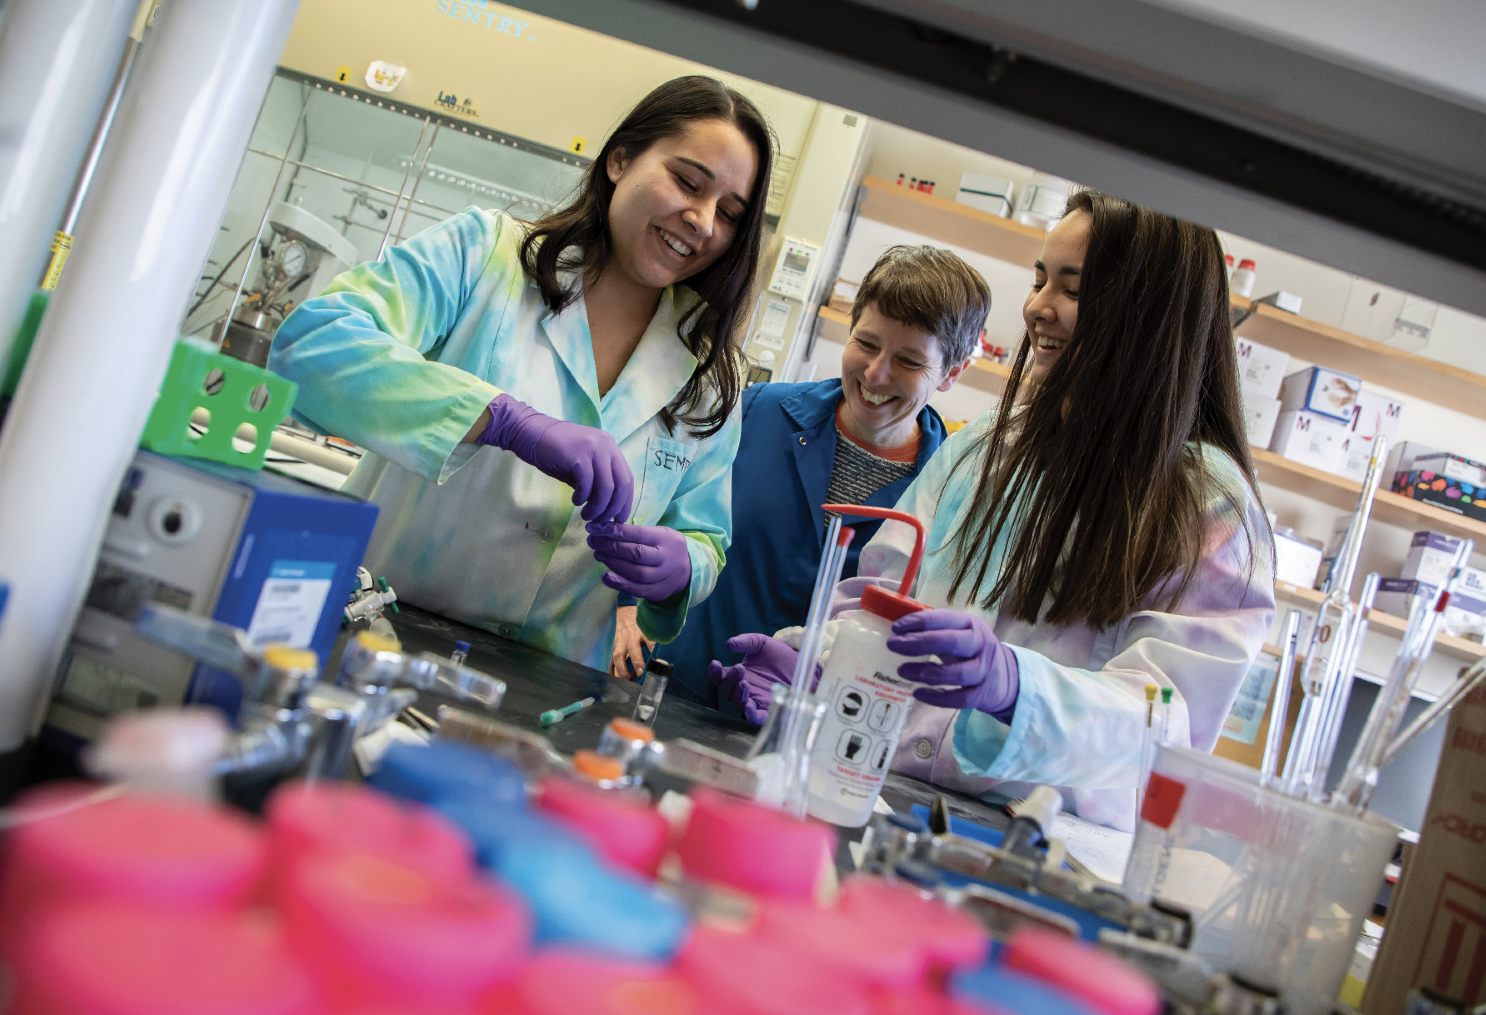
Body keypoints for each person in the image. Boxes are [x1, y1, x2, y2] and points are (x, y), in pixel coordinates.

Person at [713, 191, 1276, 829]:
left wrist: (1016, 687)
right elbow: (881, 594)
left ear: (1147, 312)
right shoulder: (987, 444)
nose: (1038, 306)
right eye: (1040, 280)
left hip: (1034, 843)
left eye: (1072, 287)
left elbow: (1169, 725)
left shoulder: (1207, 503)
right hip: (882, 794)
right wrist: (814, 662)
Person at [269, 76, 774, 670]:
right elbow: (311, 343)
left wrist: (682, 567)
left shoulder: (712, 373)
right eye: (687, 182)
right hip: (373, 635)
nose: (703, 219)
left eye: (730, 213)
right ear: (620, 159)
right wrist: (503, 420)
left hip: (545, 687)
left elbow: (706, 538)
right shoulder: (486, 256)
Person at [610, 246, 992, 708]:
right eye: (867, 344)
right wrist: (627, 607)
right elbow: (659, 500)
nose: (875, 373)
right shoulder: (758, 410)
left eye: (910, 362)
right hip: (675, 691)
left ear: (952, 373)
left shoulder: (947, 491)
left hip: (805, 727)